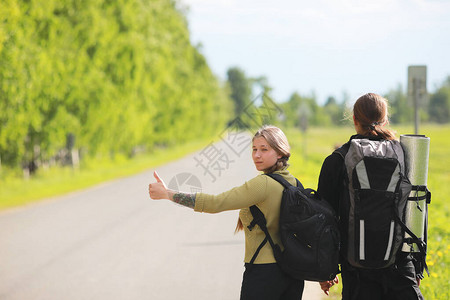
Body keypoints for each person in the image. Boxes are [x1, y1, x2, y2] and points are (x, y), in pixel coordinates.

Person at [148, 125, 304, 300]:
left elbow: (215, 203)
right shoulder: (295, 184)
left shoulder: (263, 185)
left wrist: (168, 194)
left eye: (264, 149)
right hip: (293, 273)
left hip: (264, 273)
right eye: (254, 149)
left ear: (280, 152)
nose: (256, 155)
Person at [317, 93, 424, 299]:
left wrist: (326, 270)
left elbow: (324, 219)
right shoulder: (405, 154)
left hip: (355, 268)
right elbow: (418, 205)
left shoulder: (337, 159)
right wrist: (416, 265)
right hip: (399, 265)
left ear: (355, 120)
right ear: (386, 120)